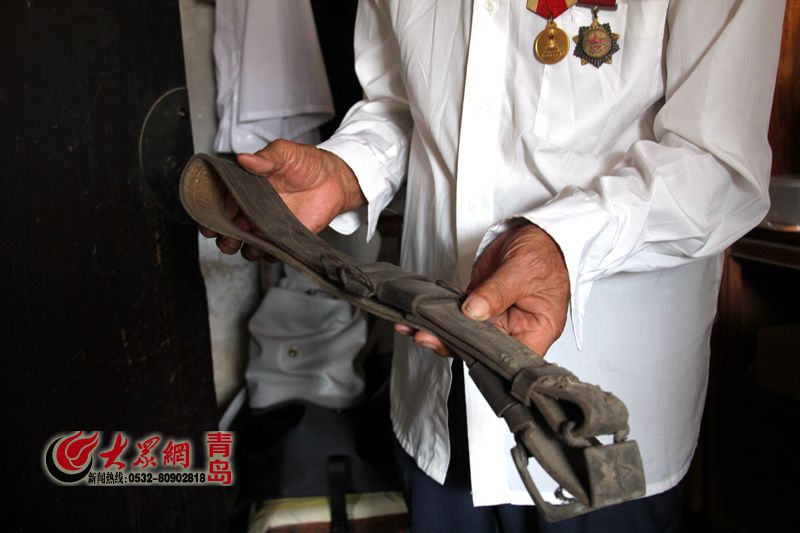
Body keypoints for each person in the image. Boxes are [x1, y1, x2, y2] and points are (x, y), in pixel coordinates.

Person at [203, 1, 786, 530]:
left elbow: (718, 163)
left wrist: (562, 242)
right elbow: (401, 106)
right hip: (436, 392)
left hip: (599, 404)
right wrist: (348, 169)